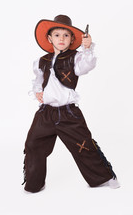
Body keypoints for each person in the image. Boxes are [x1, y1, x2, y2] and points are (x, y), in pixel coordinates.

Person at [22, 15, 120, 193]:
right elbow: (38, 79)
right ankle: (34, 183)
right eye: (57, 35)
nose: (61, 39)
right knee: (33, 144)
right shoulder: (42, 61)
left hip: (68, 114)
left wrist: (87, 48)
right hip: (45, 113)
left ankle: (103, 178)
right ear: (50, 38)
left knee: (84, 145)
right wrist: (37, 91)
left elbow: (87, 66)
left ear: (72, 39)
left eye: (66, 35)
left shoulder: (75, 59)